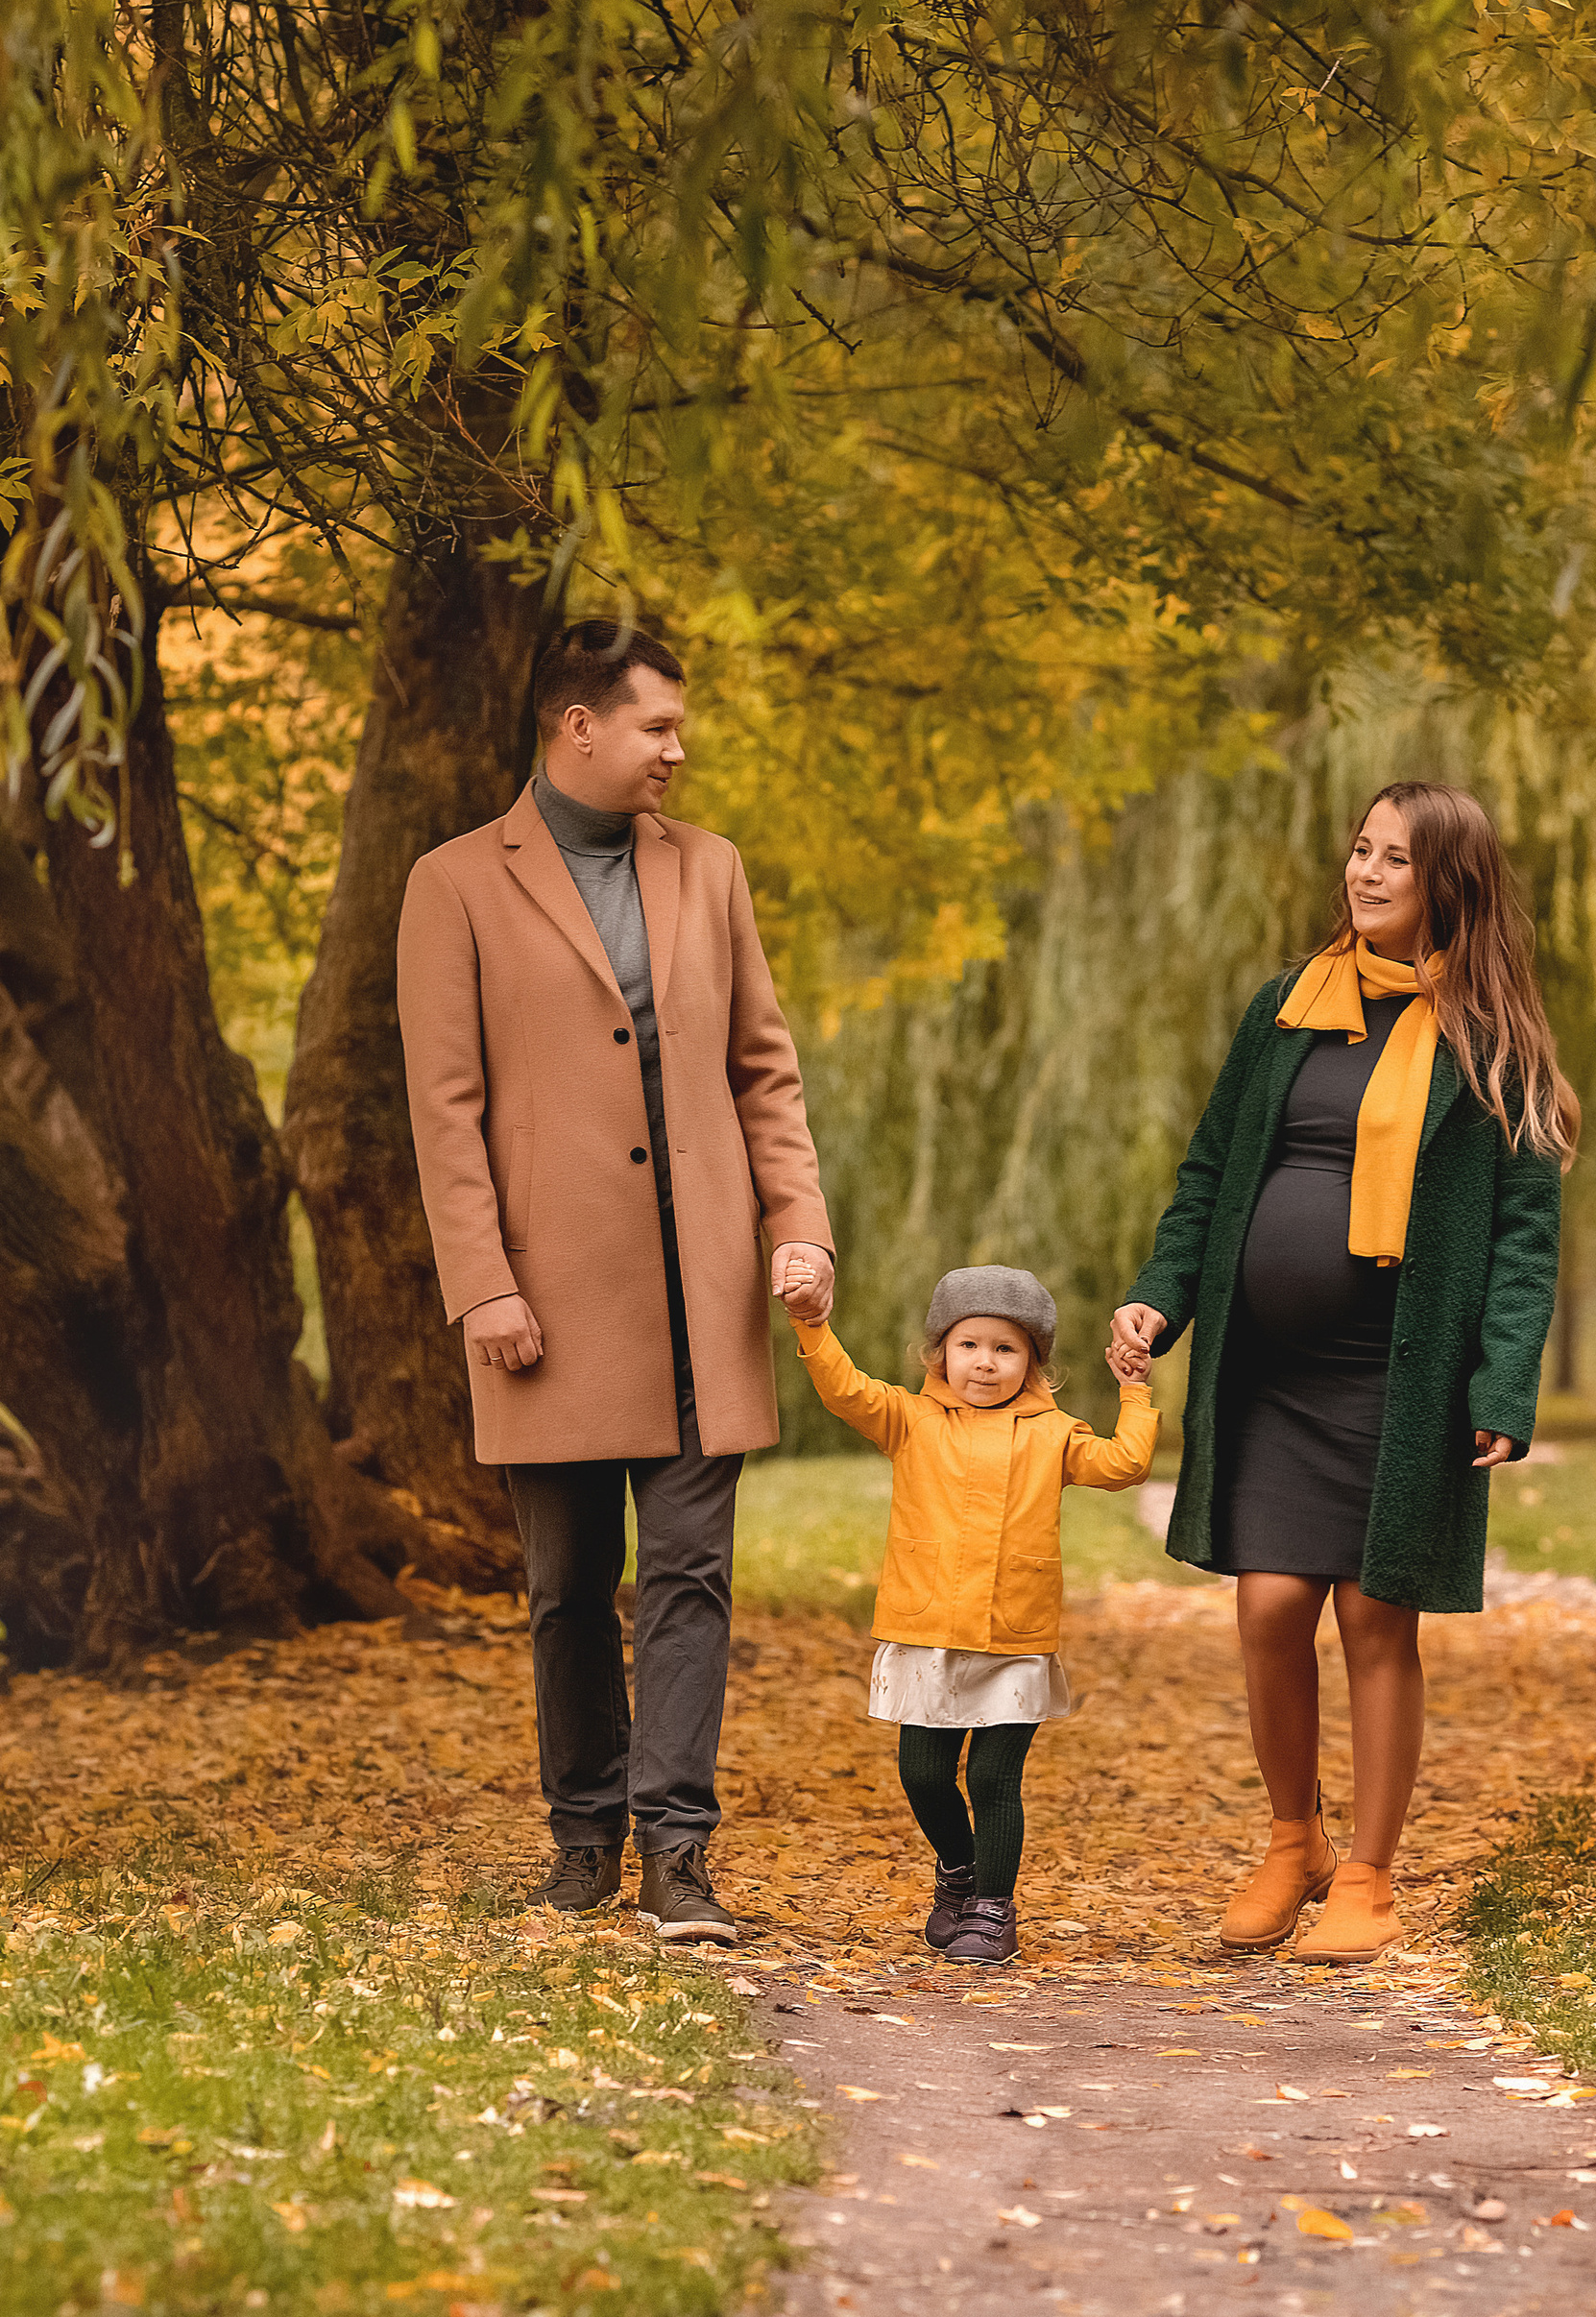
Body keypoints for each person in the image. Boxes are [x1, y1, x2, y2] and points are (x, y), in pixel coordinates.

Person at [397, 620, 835, 1948]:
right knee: (568, 1584)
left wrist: (798, 1222)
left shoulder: (710, 872)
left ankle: (679, 1857)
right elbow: (445, 1107)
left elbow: (764, 1066)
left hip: (705, 1288)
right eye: (656, 727)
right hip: (546, 1299)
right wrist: (482, 1286)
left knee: (692, 1574)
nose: (677, 751)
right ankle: (582, 1841)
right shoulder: (453, 885)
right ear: (576, 727)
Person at [1109, 782, 1573, 1965]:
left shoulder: (1492, 1042)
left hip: (1398, 1369)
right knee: (1267, 1605)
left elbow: (1524, 1232)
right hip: (1270, 1365)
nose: (1364, 874)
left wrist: (1503, 1384)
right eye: (1360, 850)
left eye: (1395, 861)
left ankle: (1368, 1871)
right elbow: (1210, 1172)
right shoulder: (1289, 1006)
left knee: (1375, 1615)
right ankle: (1291, 1840)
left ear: (1447, 887)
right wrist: (1163, 1295)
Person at [787, 1268, 1157, 1965]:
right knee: (924, 1774)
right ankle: (958, 1869)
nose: (985, 1363)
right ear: (940, 1353)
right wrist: (812, 1323)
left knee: (992, 1781)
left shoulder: (1054, 1433)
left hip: (1014, 1634)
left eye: (1007, 1349)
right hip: (926, 1627)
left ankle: (993, 1906)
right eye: (969, 1345)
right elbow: (841, 1386)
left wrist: (1134, 1390)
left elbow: (1127, 1462)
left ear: (1035, 1363)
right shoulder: (908, 1418)